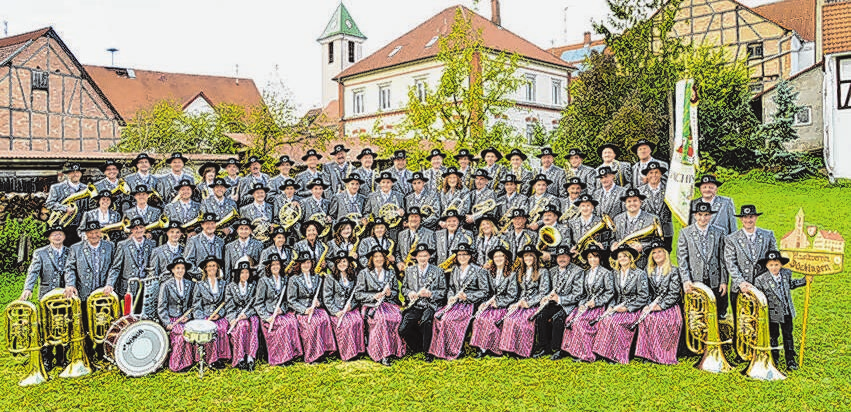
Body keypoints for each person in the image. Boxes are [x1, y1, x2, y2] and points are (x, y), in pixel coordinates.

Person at [21, 225, 71, 371]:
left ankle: (62, 356)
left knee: (63, 323)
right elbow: (33, 272)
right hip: (46, 296)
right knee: (46, 326)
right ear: (49, 237)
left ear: (64, 237)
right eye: (54, 234)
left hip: (64, 295)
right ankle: (47, 357)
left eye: (60, 234)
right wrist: (28, 288)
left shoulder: (70, 252)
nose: (57, 236)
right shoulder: (40, 253)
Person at [429, 243, 488, 360]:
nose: (462, 257)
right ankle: (441, 348)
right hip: (456, 302)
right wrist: (451, 296)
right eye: (459, 254)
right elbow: (451, 287)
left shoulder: (479, 270)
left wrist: (467, 296)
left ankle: (455, 350)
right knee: (437, 316)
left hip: (470, 304)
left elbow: (484, 291)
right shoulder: (455, 269)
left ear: (470, 256)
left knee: (448, 319)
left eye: (465, 254)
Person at [591, 245, 648, 364]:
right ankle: (606, 352)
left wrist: (627, 308)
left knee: (616, 323)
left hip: (633, 308)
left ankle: (618, 355)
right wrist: (610, 307)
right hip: (618, 307)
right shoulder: (615, 273)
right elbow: (614, 295)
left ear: (631, 258)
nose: (622, 258)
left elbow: (643, 296)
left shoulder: (639, 273)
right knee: (605, 320)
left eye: (625, 256)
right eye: (620, 256)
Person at [753, 251, 807, 371]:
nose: (774, 267)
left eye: (776, 264)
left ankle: (790, 360)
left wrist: (804, 280)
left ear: (781, 265)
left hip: (786, 311)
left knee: (788, 336)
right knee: (773, 336)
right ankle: (774, 359)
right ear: (766, 266)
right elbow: (759, 298)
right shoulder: (761, 279)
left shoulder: (786, 274)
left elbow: (791, 284)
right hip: (772, 314)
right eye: (771, 265)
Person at [561, 243, 614, 362]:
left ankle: (588, 354)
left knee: (580, 322)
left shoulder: (606, 273)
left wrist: (596, 302)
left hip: (599, 307)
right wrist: (582, 304)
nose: (592, 260)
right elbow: (584, 293)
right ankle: (576, 351)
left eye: (595, 257)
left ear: (599, 258)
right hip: (586, 306)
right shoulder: (585, 273)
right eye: (590, 257)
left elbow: (610, 292)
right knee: (570, 320)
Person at [354, 246, 406, 366]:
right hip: (371, 306)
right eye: (376, 256)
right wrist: (373, 296)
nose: (379, 259)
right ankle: (382, 353)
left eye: (381, 256)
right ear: (372, 259)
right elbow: (358, 294)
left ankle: (394, 350)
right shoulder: (364, 273)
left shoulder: (391, 273)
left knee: (396, 318)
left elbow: (395, 292)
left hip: (388, 304)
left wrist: (390, 293)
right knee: (382, 320)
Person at [634, 240, 683, 365]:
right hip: (652, 304)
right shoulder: (649, 270)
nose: (657, 255)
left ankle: (661, 354)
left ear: (666, 254)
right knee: (646, 319)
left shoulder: (674, 270)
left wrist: (660, 306)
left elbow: (673, 294)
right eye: (654, 253)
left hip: (668, 306)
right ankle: (647, 354)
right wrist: (647, 305)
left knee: (659, 321)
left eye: (660, 252)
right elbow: (646, 291)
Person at [497, 245, 549, 358]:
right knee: (510, 318)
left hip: (535, 305)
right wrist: (517, 303)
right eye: (526, 256)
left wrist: (529, 303)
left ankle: (522, 350)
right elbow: (521, 292)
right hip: (522, 303)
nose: (528, 258)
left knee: (522, 321)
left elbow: (543, 293)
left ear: (535, 258)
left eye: (530, 256)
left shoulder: (543, 271)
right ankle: (510, 349)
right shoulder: (521, 272)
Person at [725, 205, 777, 315]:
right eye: (745, 217)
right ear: (741, 219)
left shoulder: (768, 235)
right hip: (739, 288)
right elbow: (730, 262)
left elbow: (774, 261)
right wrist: (741, 282)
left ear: (756, 218)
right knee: (740, 324)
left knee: (764, 321)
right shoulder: (731, 239)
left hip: (763, 288)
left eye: (751, 217)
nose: (748, 220)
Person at [678, 201, 728, 317]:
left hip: (714, 281)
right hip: (695, 280)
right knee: (697, 314)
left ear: (711, 216)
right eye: (700, 214)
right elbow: (682, 259)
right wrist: (686, 280)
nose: (703, 218)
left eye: (706, 215)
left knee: (716, 314)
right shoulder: (685, 233)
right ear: (695, 215)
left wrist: (723, 281)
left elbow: (723, 259)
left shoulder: (719, 232)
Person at [398, 244, 446, 361]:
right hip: (415, 305)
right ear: (416, 257)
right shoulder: (409, 271)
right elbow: (404, 289)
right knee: (403, 328)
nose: (423, 258)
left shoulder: (438, 271)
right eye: (420, 256)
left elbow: (443, 291)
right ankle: (417, 346)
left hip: (430, 305)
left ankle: (428, 351)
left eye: (425, 256)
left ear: (429, 256)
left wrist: (430, 294)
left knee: (426, 322)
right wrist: (409, 293)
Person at [254, 253, 303, 366]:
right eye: (273, 265)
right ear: (269, 267)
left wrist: (283, 309)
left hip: (281, 312)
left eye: (277, 264)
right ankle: (279, 358)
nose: (275, 267)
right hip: (269, 314)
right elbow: (258, 303)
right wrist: (267, 317)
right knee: (282, 325)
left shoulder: (285, 280)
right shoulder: (263, 281)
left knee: (291, 322)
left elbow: (287, 300)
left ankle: (291, 355)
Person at [287, 254, 337, 364]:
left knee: (323, 318)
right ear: (299, 264)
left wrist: (319, 302)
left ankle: (323, 351)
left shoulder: (317, 277)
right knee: (312, 324)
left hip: (315, 308)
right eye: (304, 263)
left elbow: (320, 296)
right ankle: (312, 355)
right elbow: (291, 300)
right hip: (302, 310)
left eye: (308, 262)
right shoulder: (293, 279)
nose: (306, 265)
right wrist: (304, 310)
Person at [537, 245, 585, 360]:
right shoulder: (552, 271)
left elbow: (578, 294)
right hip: (553, 302)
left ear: (569, 257)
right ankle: (545, 347)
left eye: (564, 256)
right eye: (559, 257)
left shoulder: (577, 271)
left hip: (569, 304)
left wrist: (561, 299)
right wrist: (546, 297)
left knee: (558, 319)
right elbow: (547, 289)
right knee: (541, 316)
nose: (561, 259)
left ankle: (559, 349)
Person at [470, 247, 518, 358]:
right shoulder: (489, 273)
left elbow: (512, 295)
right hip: (491, 304)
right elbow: (486, 292)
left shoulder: (512, 274)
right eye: (496, 256)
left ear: (506, 259)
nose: (498, 258)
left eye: (501, 256)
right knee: (479, 318)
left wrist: (498, 302)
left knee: (491, 320)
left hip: (504, 305)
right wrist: (484, 302)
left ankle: (495, 349)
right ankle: (482, 348)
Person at [323, 250, 366, 361]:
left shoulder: (353, 276)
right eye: (339, 262)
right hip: (337, 310)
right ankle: (347, 353)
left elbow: (357, 295)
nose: (342, 264)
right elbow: (327, 298)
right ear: (336, 264)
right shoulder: (330, 278)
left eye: (344, 261)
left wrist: (352, 305)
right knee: (346, 324)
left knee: (357, 321)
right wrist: (335, 311)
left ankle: (358, 350)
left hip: (350, 309)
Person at [157, 257, 196, 373]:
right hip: (172, 319)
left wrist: (188, 316)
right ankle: (175, 364)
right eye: (178, 268)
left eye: (182, 268)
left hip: (185, 319)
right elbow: (161, 307)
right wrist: (167, 322)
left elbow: (192, 305)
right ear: (173, 270)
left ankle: (188, 362)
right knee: (181, 336)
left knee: (189, 333)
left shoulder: (190, 284)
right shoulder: (166, 285)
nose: (180, 271)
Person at [192, 255, 231, 369]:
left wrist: (220, 314)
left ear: (217, 268)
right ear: (205, 269)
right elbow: (196, 304)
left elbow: (226, 302)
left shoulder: (223, 284)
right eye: (209, 266)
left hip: (219, 315)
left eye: (214, 265)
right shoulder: (199, 285)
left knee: (222, 328)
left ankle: (221, 357)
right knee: (210, 330)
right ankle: (210, 359)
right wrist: (201, 318)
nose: (211, 268)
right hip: (205, 315)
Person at [610, 188, 661, 269]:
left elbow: (658, 241)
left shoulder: (652, 219)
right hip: (621, 264)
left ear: (641, 202)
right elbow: (613, 238)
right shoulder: (617, 219)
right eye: (629, 201)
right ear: (625, 203)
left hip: (642, 263)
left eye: (635, 200)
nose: (632, 204)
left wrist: (642, 247)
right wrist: (613, 244)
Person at [106, 217, 155, 300]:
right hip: (128, 289)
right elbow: (115, 268)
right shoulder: (123, 245)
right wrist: (110, 284)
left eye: (141, 227)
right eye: (136, 228)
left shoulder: (152, 244)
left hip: (146, 289)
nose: (139, 230)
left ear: (145, 229)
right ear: (131, 230)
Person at [225, 260, 260, 370]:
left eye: (247, 272)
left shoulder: (254, 286)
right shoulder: (230, 287)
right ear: (237, 274)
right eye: (242, 272)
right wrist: (232, 319)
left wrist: (247, 314)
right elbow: (229, 307)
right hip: (236, 315)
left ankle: (250, 356)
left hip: (250, 313)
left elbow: (256, 304)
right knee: (241, 326)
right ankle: (240, 357)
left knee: (254, 323)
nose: (245, 275)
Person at [45, 162, 87, 244]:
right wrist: (65, 208)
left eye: (77, 172)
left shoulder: (86, 188)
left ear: (81, 174)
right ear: (67, 174)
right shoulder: (56, 187)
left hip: (80, 226)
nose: (75, 174)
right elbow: (49, 203)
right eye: (72, 172)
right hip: (63, 226)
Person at [638, 162, 673, 249]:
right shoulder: (639, 192)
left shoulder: (669, 190)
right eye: (651, 173)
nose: (654, 175)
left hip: (666, 232)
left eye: (656, 172)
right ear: (647, 175)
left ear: (661, 174)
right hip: (647, 232)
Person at [364, 171, 406, 241]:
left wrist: (402, 213)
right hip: (377, 230)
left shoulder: (400, 196)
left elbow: (404, 215)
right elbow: (366, 212)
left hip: (394, 231)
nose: (385, 185)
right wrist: (366, 219)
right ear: (379, 183)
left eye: (388, 182)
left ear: (392, 183)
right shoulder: (372, 196)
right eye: (383, 182)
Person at [183, 213, 225, 280]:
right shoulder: (193, 241)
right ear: (202, 225)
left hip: (218, 280)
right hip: (200, 281)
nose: (210, 226)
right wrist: (201, 274)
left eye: (212, 223)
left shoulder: (221, 242)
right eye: (207, 224)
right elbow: (187, 261)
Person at [395, 207, 436, 271]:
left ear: (420, 219)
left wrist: (420, 260)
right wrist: (399, 262)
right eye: (411, 216)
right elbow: (397, 252)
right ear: (408, 219)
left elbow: (433, 254)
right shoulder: (401, 234)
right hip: (404, 271)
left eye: (416, 216)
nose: (414, 219)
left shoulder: (430, 234)